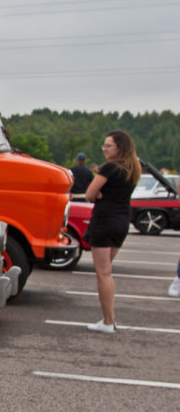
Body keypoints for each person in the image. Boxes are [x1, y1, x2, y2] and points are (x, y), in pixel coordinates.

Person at [84, 131, 142, 333]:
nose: (104, 148)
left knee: (103, 273)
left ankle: (108, 321)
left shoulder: (108, 168)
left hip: (104, 219)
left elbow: (89, 195)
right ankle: (109, 320)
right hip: (122, 220)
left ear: (120, 148)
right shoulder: (133, 168)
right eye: (104, 145)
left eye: (108, 146)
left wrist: (98, 193)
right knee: (107, 270)